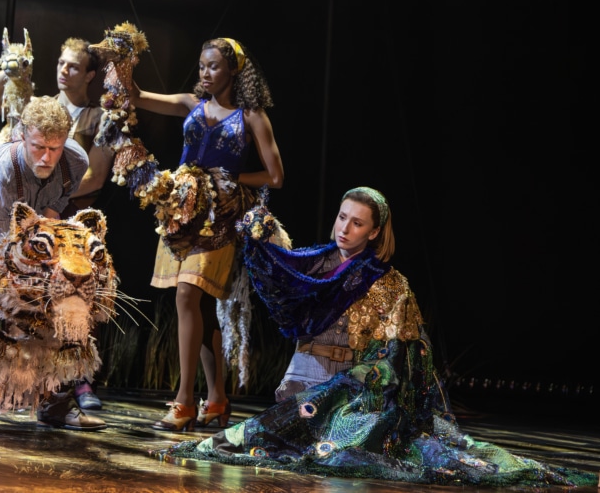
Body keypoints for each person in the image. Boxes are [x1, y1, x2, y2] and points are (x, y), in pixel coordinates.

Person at [154, 187, 597, 488]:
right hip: (304, 377)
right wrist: (260, 237)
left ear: (374, 232)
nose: (345, 228)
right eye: (342, 217)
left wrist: (361, 383)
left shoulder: (389, 283)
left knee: (336, 456)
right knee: (280, 444)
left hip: (349, 390)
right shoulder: (313, 264)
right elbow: (278, 276)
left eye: (357, 223)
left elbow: (399, 358)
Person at [131, 37, 284, 431]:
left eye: (213, 66)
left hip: (221, 217)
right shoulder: (190, 103)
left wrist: (230, 178)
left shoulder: (251, 116)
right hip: (181, 213)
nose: (205, 72)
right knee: (198, 307)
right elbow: (137, 97)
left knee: (187, 293)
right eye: (202, 65)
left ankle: (184, 401)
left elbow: (275, 176)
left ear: (233, 69)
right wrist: (122, 61)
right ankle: (217, 399)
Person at [0, 95, 106, 432]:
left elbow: (50, 218)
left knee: (58, 289)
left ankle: (55, 403)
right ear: (21, 136)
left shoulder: (76, 161)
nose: (46, 157)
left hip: (30, 224)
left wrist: (48, 273)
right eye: (38, 146)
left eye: (54, 148)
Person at [0, 36, 114, 409]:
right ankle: (15, 389)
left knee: (75, 296)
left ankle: (74, 386)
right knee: (18, 297)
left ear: (90, 75)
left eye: (74, 66)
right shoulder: (39, 109)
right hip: (21, 216)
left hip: (65, 219)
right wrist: (13, 69)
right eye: (60, 63)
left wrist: (52, 191)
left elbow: (93, 178)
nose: (64, 70)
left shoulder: (97, 121)